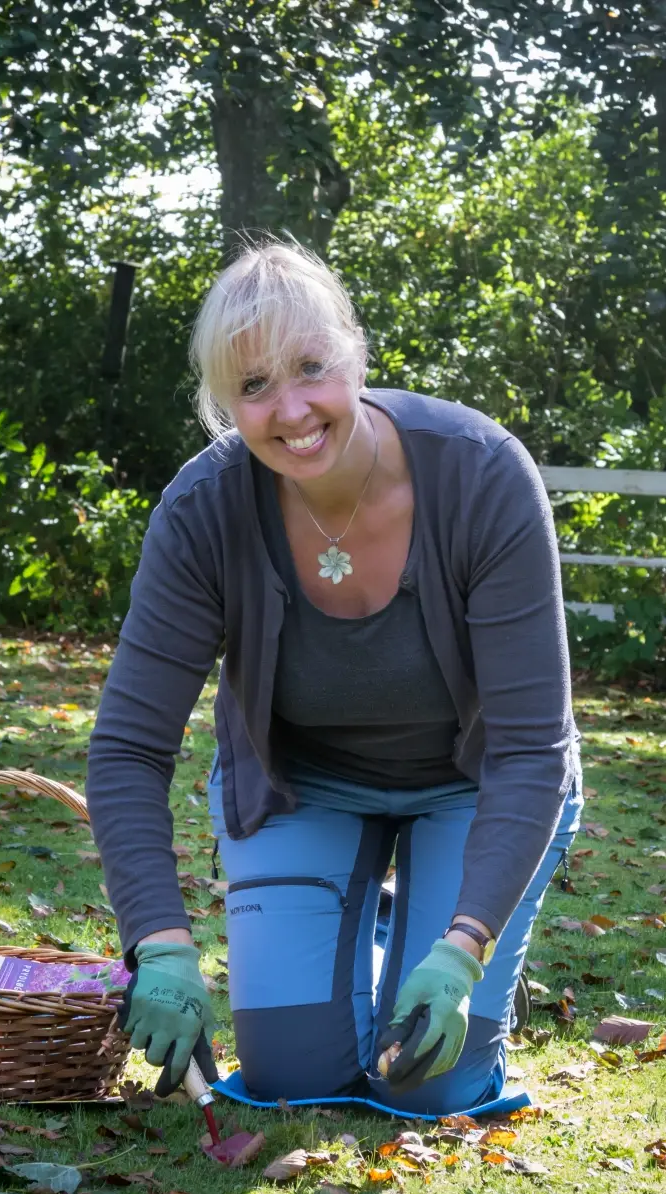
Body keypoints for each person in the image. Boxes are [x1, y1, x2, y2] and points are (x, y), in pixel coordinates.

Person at [87, 240, 582, 1116]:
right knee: (290, 1078)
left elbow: (531, 747)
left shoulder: (483, 472)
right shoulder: (202, 511)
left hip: (475, 784)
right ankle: (367, 927)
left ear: (355, 353)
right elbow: (128, 747)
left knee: (432, 1082)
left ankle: (428, 936)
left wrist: (463, 948)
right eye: (254, 386)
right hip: (302, 786)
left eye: (311, 368)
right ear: (225, 404)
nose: (291, 409)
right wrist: (159, 943)